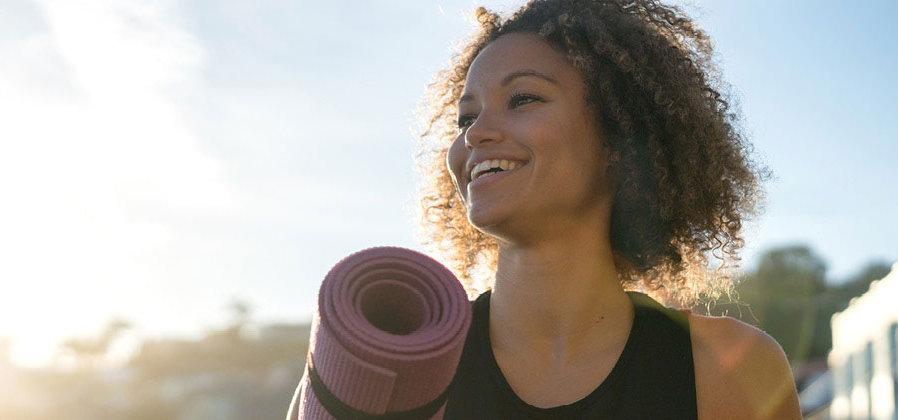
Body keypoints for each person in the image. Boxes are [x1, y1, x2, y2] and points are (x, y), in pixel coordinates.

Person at [288, 0, 800, 418]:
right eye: (466, 117)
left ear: (618, 136)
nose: (476, 133)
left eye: (523, 98)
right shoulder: (395, 363)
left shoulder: (731, 369)